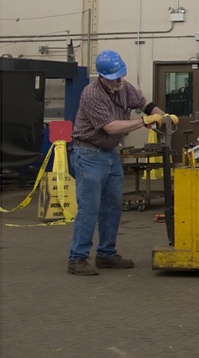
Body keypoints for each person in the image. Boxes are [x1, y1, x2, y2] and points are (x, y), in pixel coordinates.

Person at [67, 50, 177, 276]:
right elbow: (111, 127)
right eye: (114, 78)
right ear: (103, 77)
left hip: (109, 154)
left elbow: (145, 103)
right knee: (89, 207)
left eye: (121, 76)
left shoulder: (124, 88)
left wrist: (163, 116)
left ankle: (106, 254)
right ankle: (77, 258)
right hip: (88, 154)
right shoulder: (91, 94)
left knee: (112, 206)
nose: (119, 81)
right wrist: (144, 121)